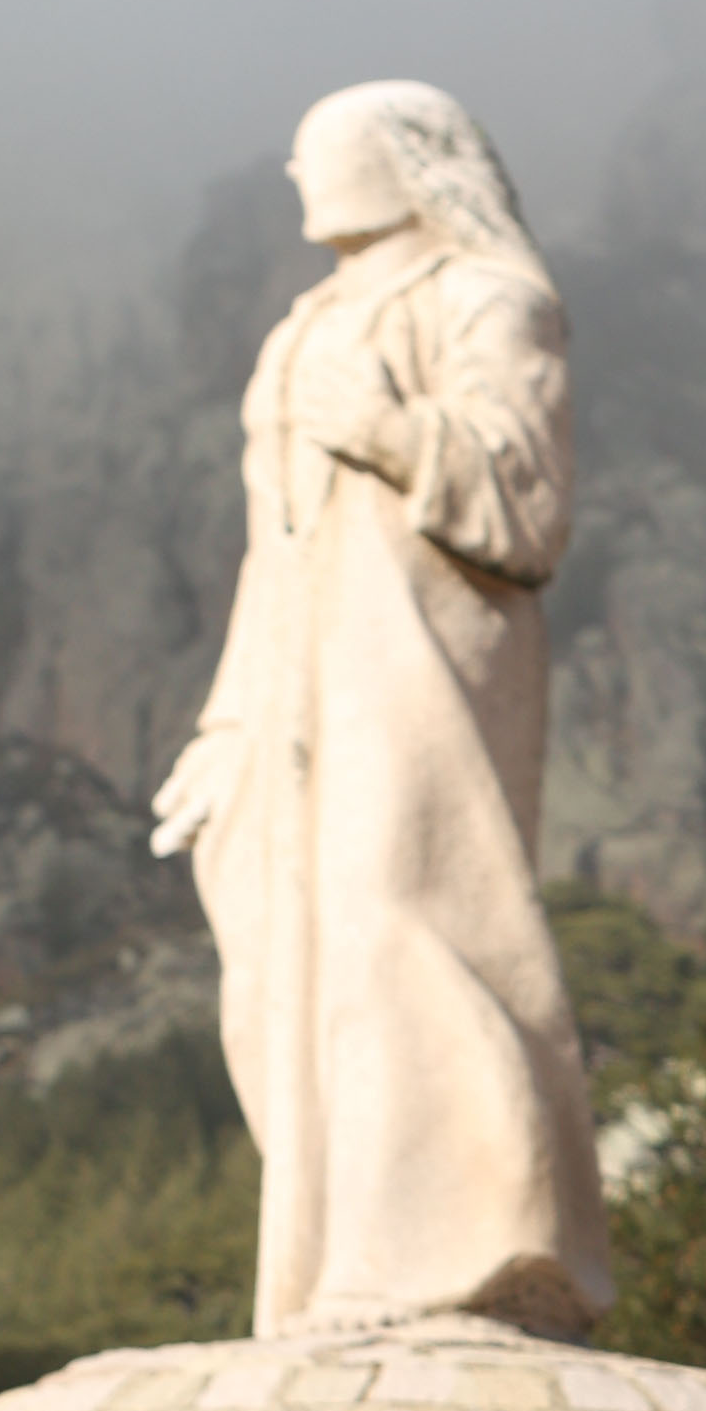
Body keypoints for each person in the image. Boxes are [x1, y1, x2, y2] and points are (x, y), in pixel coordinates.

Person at [151, 80, 610, 1336]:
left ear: (407, 162)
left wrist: (395, 432)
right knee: (283, 956)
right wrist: (228, 721)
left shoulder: (489, 301)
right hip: (297, 682)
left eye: (322, 150)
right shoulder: (303, 326)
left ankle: (480, 1242)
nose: (298, 172)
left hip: (417, 665)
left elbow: (529, 510)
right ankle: (351, 1251)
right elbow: (273, 551)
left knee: (402, 915)